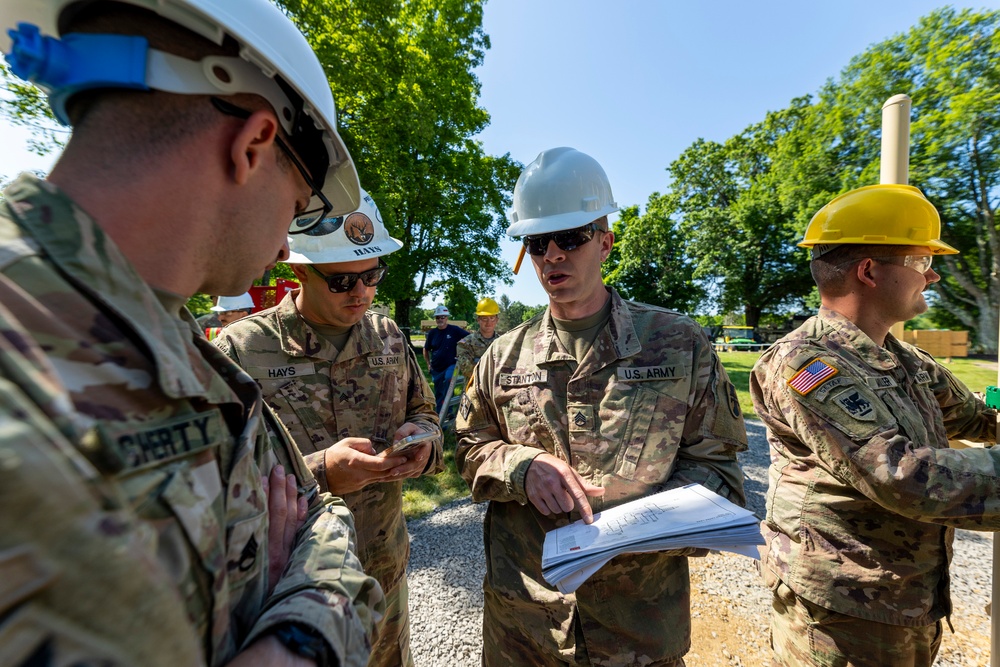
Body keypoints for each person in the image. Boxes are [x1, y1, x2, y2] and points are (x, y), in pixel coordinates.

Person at [0, 1, 384, 665]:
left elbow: (320, 518)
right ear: (253, 143)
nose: (285, 241)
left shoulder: (176, 343)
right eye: (297, 207)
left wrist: (290, 636)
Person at [456, 147, 748, 666]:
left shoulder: (678, 344)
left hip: (637, 630)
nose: (552, 255)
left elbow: (719, 471)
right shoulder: (502, 355)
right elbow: (466, 446)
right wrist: (521, 466)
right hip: (526, 628)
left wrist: (643, 522)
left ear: (605, 242)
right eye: (537, 242)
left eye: (570, 238)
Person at [750, 183, 1000, 666]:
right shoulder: (806, 363)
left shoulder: (905, 360)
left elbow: (978, 416)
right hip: (842, 613)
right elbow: (903, 476)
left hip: (905, 597)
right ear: (868, 271)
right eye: (921, 263)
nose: (932, 277)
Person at [216, 190, 444, 667]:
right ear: (299, 270)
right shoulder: (241, 350)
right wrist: (321, 472)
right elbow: (218, 484)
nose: (360, 292)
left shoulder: (388, 335)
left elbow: (426, 412)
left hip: (383, 572)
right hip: (292, 595)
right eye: (341, 280)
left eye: (372, 275)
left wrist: (422, 443)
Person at [423, 304, 469, 413]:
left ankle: (449, 411)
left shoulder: (454, 330)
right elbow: (425, 349)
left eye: (442, 317)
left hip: (451, 364)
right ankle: (441, 416)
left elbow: (469, 338)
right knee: (439, 392)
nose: (440, 319)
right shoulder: (432, 333)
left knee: (449, 380)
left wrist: (463, 345)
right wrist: (428, 364)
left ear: (447, 318)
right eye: (438, 317)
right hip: (436, 368)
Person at [455, 296, 501, 380]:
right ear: (478, 320)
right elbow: (467, 370)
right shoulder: (465, 343)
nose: (489, 322)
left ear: (497, 320)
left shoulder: (503, 343)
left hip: (498, 390)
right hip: (475, 389)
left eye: (492, 318)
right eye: (484, 318)